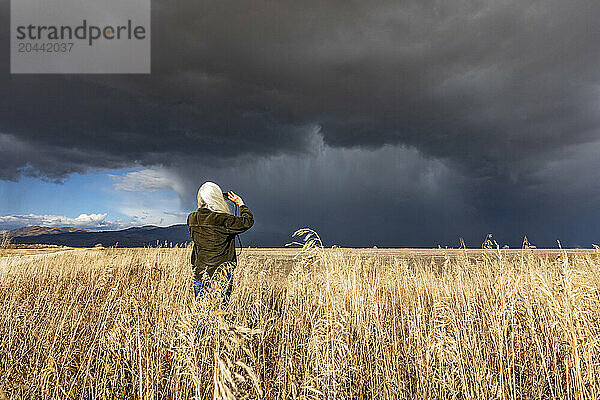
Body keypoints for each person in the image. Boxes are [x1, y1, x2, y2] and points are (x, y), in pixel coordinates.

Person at [187, 181, 254, 304]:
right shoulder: (223, 219)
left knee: (201, 313)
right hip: (221, 274)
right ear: (216, 198)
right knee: (219, 313)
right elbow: (247, 221)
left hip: (200, 273)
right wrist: (241, 204)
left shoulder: (192, 218)